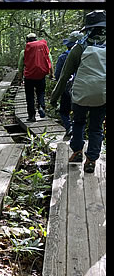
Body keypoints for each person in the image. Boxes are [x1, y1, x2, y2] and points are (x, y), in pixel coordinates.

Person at [51, 10, 106, 174]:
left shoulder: (78, 48)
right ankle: (91, 160)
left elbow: (64, 76)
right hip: (102, 95)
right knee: (96, 128)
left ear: (88, 29)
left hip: (80, 94)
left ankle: (76, 152)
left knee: (78, 123)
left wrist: (54, 98)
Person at [18, 32, 53, 122]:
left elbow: (20, 66)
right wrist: (51, 74)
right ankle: (41, 106)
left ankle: (32, 116)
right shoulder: (43, 48)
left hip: (29, 77)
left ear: (27, 41)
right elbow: (50, 61)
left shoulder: (24, 51)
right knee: (40, 92)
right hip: (40, 75)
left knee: (29, 96)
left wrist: (20, 78)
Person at [54, 31, 82, 140]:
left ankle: (69, 127)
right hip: (83, 88)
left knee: (63, 111)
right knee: (79, 112)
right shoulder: (89, 54)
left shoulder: (63, 57)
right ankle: (78, 131)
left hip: (67, 87)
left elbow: (58, 75)